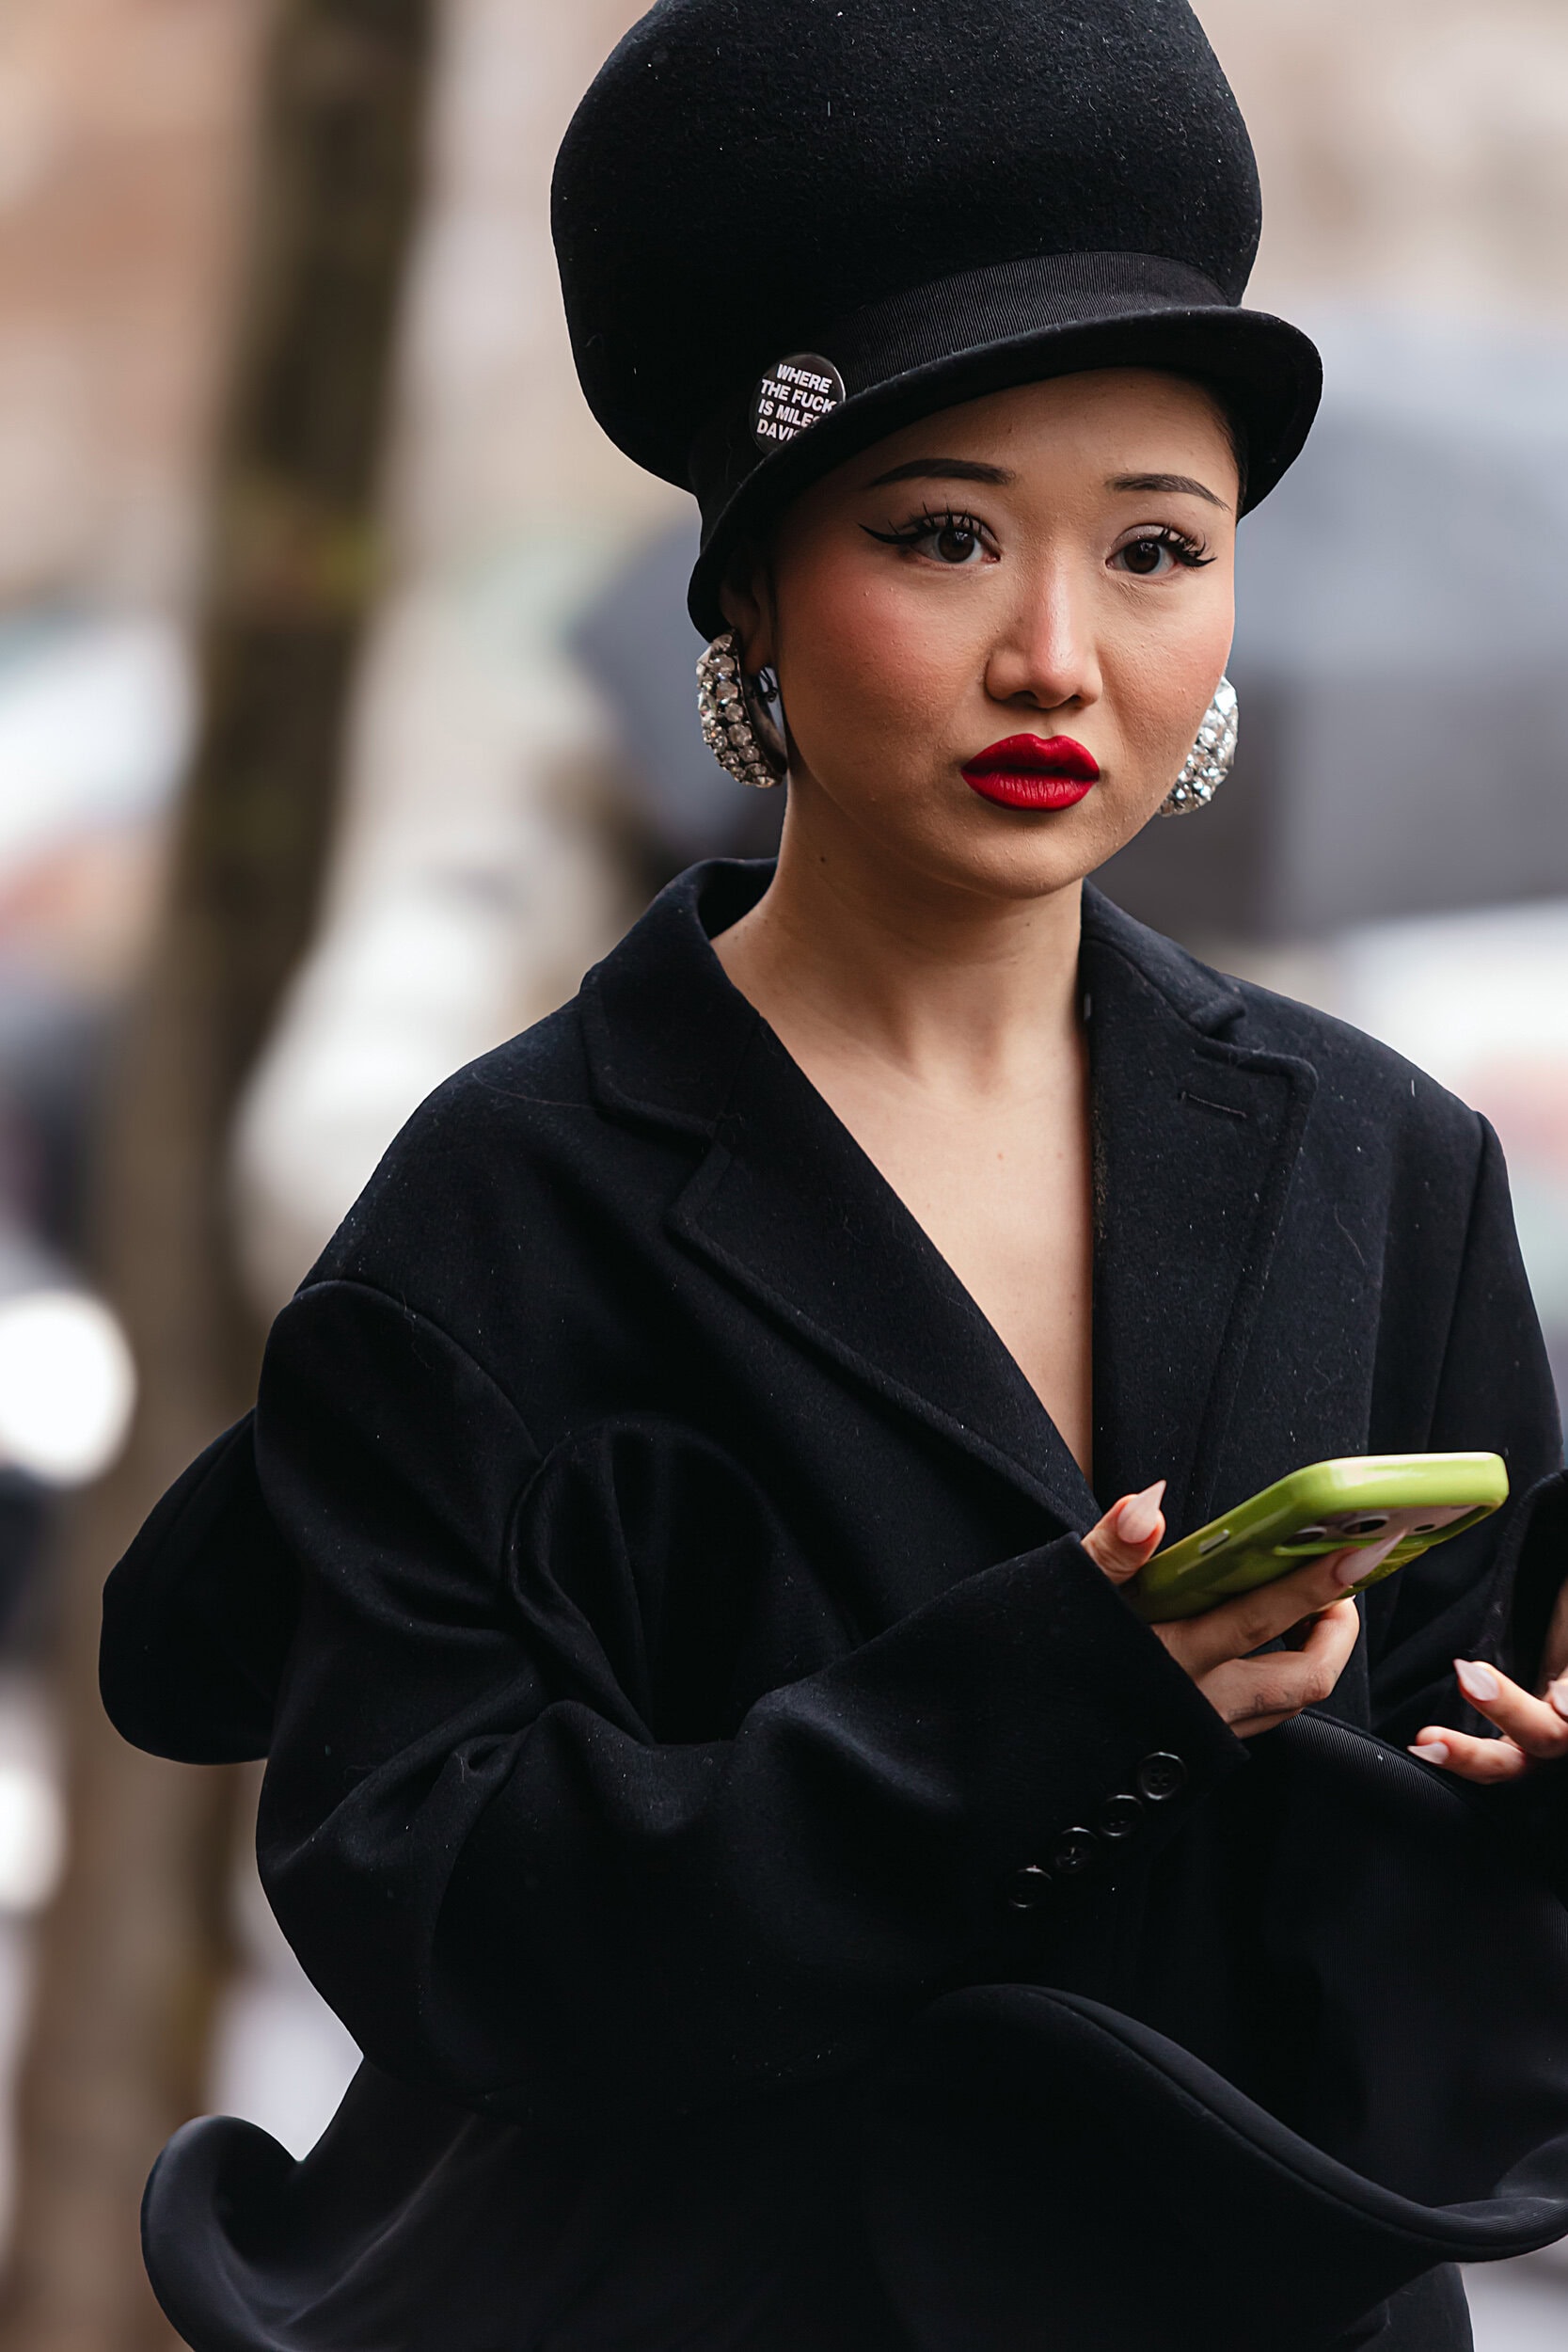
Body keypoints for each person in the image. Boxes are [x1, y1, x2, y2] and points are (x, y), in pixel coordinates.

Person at [100, 3, 1568, 2347]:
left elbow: (1429, 1943)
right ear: (750, 601)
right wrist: (1046, 1704)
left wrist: (1525, 1819)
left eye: (1157, 547)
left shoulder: (1383, 1158)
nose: (1058, 653)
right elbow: (453, 1922)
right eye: (943, 531)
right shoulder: (507, 1203)